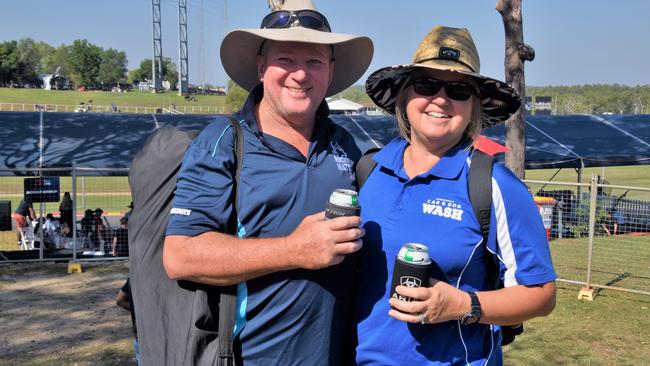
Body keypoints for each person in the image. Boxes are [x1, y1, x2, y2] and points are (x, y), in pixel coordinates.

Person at [162, 0, 372, 364]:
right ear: (261, 67)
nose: (300, 75)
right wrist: (294, 249)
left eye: (314, 62)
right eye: (286, 60)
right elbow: (180, 255)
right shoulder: (225, 141)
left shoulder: (346, 144)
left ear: (330, 71)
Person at [354, 26, 556, 365]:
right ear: (405, 96)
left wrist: (464, 306)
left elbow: (542, 294)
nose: (441, 99)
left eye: (459, 89)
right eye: (426, 85)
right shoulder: (369, 170)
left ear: (475, 106)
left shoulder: (493, 184)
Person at [116, 278, 140, 365]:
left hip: (139, 336)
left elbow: (120, 300)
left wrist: (138, 311)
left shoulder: (134, 277)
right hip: (151, 339)